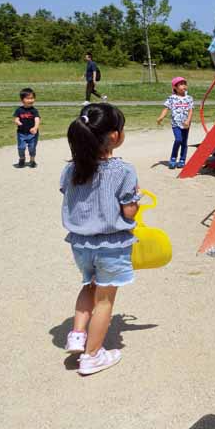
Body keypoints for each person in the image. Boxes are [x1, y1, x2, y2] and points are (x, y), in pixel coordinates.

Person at [60, 103, 141, 375]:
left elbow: (73, 198)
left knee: (89, 285)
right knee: (105, 299)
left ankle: (77, 334)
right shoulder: (124, 171)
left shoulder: (70, 170)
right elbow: (128, 212)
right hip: (111, 244)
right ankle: (92, 355)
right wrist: (136, 201)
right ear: (115, 136)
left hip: (80, 243)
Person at [157, 77, 194, 169]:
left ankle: (182, 160)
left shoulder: (189, 98)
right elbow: (166, 108)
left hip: (186, 124)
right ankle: (173, 158)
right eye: (181, 84)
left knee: (184, 142)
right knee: (178, 140)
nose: (184, 86)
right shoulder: (172, 98)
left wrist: (188, 121)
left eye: (184, 84)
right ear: (175, 87)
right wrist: (161, 117)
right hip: (175, 124)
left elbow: (190, 111)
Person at [13, 87, 40, 168]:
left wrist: (35, 127)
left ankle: (32, 160)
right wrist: (17, 122)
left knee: (32, 148)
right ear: (22, 100)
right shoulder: (19, 110)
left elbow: (37, 119)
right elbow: (16, 118)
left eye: (32, 98)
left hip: (32, 133)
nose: (30, 100)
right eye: (28, 98)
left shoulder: (34, 110)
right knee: (21, 147)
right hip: (21, 133)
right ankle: (22, 159)